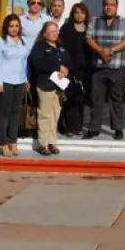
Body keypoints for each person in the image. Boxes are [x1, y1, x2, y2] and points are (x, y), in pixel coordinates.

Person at [84, 0, 125, 140]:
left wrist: (110, 51)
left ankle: (117, 128)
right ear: (103, 6)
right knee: (96, 98)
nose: (108, 7)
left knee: (117, 99)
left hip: (117, 67)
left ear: (116, 7)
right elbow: (88, 38)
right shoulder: (95, 21)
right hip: (98, 67)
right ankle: (93, 129)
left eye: (112, 4)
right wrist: (100, 51)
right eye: (106, 4)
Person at [29, 22, 74, 155]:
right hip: (46, 84)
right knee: (45, 114)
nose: (55, 33)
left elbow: (69, 61)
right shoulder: (39, 47)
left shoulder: (60, 47)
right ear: (44, 34)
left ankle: (52, 142)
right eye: (51, 31)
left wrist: (66, 69)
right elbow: (37, 62)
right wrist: (57, 67)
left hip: (59, 86)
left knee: (55, 114)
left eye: (56, 31)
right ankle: (43, 143)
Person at [0, 14, 31, 157]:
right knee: (4, 112)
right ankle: (3, 143)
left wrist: (26, 79)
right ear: (6, 27)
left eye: (16, 26)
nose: (14, 29)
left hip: (20, 81)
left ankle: (13, 141)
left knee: (16, 112)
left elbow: (25, 63)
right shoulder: (1, 42)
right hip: (5, 82)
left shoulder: (24, 42)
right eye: (11, 26)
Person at [59, 3, 93, 137]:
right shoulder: (66, 28)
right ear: (72, 14)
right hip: (70, 68)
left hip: (86, 68)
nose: (79, 15)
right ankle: (70, 127)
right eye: (76, 13)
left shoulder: (90, 29)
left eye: (82, 13)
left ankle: (79, 126)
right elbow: (61, 47)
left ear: (86, 15)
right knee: (70, 97)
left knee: (81, 98)